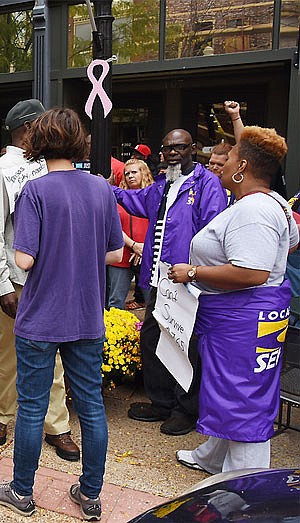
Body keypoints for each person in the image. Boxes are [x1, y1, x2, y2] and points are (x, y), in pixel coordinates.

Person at [0, 108, 123, 520]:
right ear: (80, 142)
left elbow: (24, 260)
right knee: (92, 407)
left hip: (41, 315)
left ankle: (22, 491)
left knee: (30, 406)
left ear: (36, 142)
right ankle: (91, 495)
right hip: (86, 315)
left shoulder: (36, 191)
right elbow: (115, 253)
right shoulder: (102, 188)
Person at [169, 126, 296, 473]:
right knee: (234, 391)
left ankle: (243, 486)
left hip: (242, 322)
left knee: (243, 400)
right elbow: (291, 243)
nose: (222, 163)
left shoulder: (252, 210)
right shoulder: (273, 204)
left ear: (243, 169)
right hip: (248, 319)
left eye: (230, 157)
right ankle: (212, 457)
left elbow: (251, 272)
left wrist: (192, 272)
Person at [113, 128, 228, 436]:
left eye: (179, 147)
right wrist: (106, 189)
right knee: (152, 338)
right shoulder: (163, 183)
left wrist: (194, 271)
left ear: (193, 149)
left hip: (188, 281)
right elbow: (137, 201)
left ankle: (186, 409)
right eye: (168, 148)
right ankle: (161, 401)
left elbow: (212, 234)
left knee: (185, 345)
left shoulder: (208, 184)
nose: (173, 153)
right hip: (158, 279)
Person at [0, 99, 78, 461]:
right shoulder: (1, 171)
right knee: (8, 353)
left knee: (51, 355)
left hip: (49, 280)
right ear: (28, 128)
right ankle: (0, 415)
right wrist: (3, 286)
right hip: (14, 280)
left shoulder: (50, 168)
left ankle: (57, 425)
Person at [106, 159, 153, 311]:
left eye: (134, 172)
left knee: (152, 301)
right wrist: (133, 244)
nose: (130, 176)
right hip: (122, 254)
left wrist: (143, 248)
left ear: (143, 173)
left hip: (147, 253)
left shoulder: (154, 196)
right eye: (127, 173)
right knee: (115, 301)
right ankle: (115, 333)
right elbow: (113, 226)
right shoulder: (117, 197)